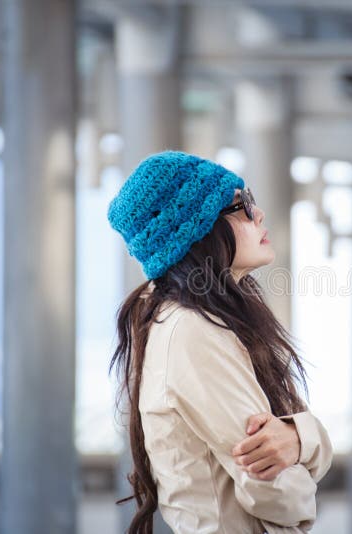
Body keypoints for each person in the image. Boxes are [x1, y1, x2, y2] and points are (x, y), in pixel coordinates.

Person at [106, 151, 333, 533]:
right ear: (197, 231)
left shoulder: (186, 323)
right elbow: (279, 493)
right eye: (241, 206)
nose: (258, 214)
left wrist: (299, 438)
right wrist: (308, 446)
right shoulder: (193, 331)